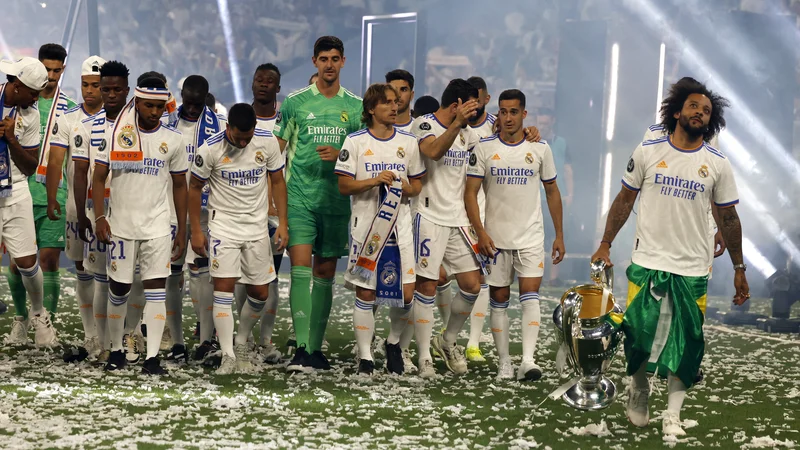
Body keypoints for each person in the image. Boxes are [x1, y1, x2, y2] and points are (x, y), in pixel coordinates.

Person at [590, 80, 748, 436]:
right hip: (648, 261)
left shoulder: (717, 163)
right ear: (677, 111)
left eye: (706, 111)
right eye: (694, 106)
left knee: (688, 343)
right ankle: (640, 390)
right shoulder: (648, 150)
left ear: (711, 120)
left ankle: (673, 414)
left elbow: (729, 217)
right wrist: (605, 244)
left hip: (693, 266)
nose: (700, 113)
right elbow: (624, 200)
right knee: (638, 337)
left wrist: (739, 267)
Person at [273, 36, 364, 373]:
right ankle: (301, 347)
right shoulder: (296, 103)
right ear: (314, 62)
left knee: (324, 273)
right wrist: (273, 198)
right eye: (323, 58)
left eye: (335, 58)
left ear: (343, 62)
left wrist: (339, 154)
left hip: (337, 201)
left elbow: (364, 154)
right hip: (300, 198)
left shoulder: (355, 107)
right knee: (299, 269)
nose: (329, 64)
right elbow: (275, 152)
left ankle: (315, 347)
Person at [91, 76, 188, 375]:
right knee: (119, 289)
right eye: (149, 105)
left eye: (160, 107)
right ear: (137, 101)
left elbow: (180, 186)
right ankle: (117, 350)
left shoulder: (174, 140)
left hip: (158, 227)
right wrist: (100, 216)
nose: (155, 112)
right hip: (120, 225)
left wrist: (182, 229)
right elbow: (98, 177)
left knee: (155, 289)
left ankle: (152, 358)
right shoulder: (116, 134)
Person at [465, 89, 564, 380]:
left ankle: (529, 361)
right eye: (503, 111)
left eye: (513, 112)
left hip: (531, 236)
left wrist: (559, 234)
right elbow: (469, 194)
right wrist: (480, 232)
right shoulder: (483, 148)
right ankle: (505, 362)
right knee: (499, 298)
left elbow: (552, 192)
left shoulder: (540, 148)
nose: (508, 117)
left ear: (524, 114)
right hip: (495, 239)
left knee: (530, 296)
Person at [189, 103, 287, 374]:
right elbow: (194, 188)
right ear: (227, 127)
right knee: (223, 289)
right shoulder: (210, 149)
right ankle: (229, 355)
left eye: (248, 136)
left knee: (260, 292)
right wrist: (197, 230)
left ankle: (242, 339)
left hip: (257, 229)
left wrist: (283, 223)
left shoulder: (266, 143)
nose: (243, 141)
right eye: (238, 136)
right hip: (224, 229)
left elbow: (278, 181)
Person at [335, 83, 426, 376]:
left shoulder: (409, 142)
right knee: (366, 293)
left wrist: (402, 186)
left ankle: (393, 343)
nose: (394, 106)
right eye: (387, 102)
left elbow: (417, 185)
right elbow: (344, 186)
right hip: (366, 228)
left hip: (400, 227)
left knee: (408, 294)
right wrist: (374, 181)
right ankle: (365, 357)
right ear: (371, 109)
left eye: (395, 102)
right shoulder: (355, 142)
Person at [409, 78, 483, 378]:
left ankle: (446, 340)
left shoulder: (469, 134)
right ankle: (424, 355)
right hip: (427, 216)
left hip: (458, 218)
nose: (474, 116)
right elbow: (434, 152)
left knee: (472, 285)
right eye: (469, 109)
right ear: (456, 106)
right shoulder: (424, 125)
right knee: (426, 286)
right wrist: (456, 126)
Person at [6, 45, 75, 341]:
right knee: (15, 262)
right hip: (12, 187)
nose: (50, 77)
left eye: (56, 70)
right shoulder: (20, 102)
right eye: (45, 70)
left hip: (38, 190)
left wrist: (10, 138)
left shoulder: (61, 108)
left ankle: (43, 318)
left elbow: (37, 162)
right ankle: (20, 320)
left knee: (40, 260)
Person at [44, 55, 107, 361]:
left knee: (111, 274)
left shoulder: (120, 122)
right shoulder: (67, 119)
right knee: (82, 270)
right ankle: (91, 336)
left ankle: (115, 336)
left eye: (95, 85)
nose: (89, 91)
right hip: (76, 209)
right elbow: (56, 160)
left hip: (111, 210)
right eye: (85, 85)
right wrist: (52, 194)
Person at [72, 60, 131, 363]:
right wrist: (86, 215)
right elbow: (81, 173)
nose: (109, 94)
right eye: (105, 88)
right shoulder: (87, 127)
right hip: (100, 211)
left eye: (115, 89)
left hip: (132, 213)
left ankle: (128, 338)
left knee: (129, 279)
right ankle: (102, 341)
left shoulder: (136, 127)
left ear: (126, 90)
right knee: (99, 277)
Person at [167, 75, 226, 363]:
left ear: (206, 99)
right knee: (171, 273)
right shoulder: (168, 123)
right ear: (181, 97)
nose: (191, 109)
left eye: (197, 104)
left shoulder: (221, 128)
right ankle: (177, 342)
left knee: (205, 273)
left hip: (205, 212)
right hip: (170, 210)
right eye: (187, 103)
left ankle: (205, 341)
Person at [0, 56, 58, 347]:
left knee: (26, 261)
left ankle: (38, 314)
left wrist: (12, 139)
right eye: (33, 92)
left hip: (16, 188)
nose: (37, 98)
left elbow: (30, 166)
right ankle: (21, 321)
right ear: (16, 85)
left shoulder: (31, 114)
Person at [243, 62, 285, 363]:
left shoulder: (286, 123)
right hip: (242, 215)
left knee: (269, 279)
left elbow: (284, 171)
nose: (263, 84)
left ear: (277, 88)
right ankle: (238, 338)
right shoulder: (238, 119)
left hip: (272, 217)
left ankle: (266, 342)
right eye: (259, 79)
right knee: (240, 280)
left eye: (269, 81)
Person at [461, 75, 496, 363]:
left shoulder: (495, 126)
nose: (474, 102)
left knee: (481, 275)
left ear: (486, 98)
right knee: (439, 277)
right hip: (446, 207)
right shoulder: (450, 121)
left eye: (478, 97)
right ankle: (448, 335)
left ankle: (473, 342)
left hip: (481, 207)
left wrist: (531, 132)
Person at [536, 108, 574, 287]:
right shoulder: (533, 143)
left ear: (552, 122)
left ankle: (552, 277)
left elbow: (567, 170)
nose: (542, 126)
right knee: (537, 236)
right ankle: (536, 274)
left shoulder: (562, 143)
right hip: (536, 197)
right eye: (540, 122)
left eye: (545, 123)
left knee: (556, 235)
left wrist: (570, 194)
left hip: (556, 196)